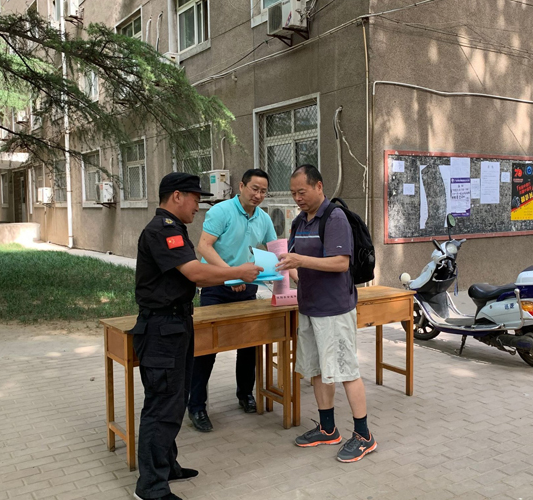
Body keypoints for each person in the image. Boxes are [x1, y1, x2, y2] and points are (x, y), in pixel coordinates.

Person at [131, 172, 262, 500]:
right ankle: (150, 487)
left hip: (176, 324)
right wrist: (236, 272)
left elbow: (193, 275)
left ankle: (167, 467)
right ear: (177, 196)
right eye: (194, 198)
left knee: (175, 401)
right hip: (162, 328)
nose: (198, 206)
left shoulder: (175, 229)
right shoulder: (162, 230)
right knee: (161, 405)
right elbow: (195, 273)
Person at [276, 164, 377, 463]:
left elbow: (340, 263)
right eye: (293, 193)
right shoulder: (299, 221)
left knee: (346, 371)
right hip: (309, 307)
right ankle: (328, 428)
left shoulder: (334, 217)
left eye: (302, 192)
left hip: (334, 310)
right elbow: (296, 262)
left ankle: (364, 436)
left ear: (319, 186)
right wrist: (288, 269)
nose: (297, 198)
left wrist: (300, 261)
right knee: (318, 370)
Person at [189, 169, 278, 432]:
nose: (258, 195)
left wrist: (292, 275)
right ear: (241, 186)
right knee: (206, 348)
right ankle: (196, 406)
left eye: (263, 191)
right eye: (254, 189)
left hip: (246, 287)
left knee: (249, 344)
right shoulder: (221, 211)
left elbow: (276, 251)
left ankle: (245, 394)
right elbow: (204, 246)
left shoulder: (263, 218)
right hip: (216, 286)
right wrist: (231, 274)